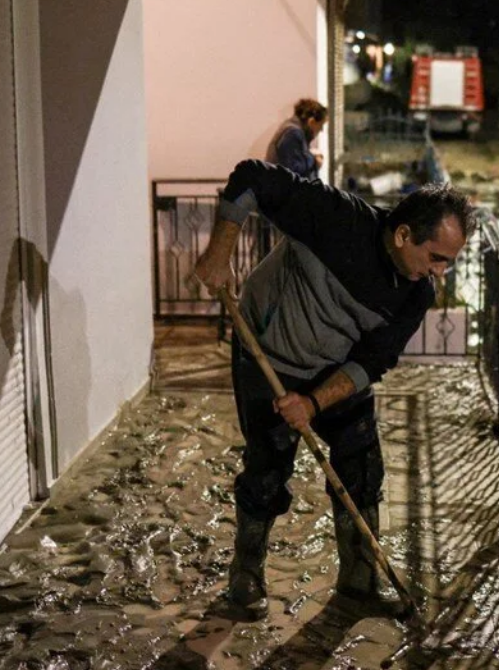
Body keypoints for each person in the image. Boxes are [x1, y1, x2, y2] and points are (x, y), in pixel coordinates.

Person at [192, 159, 472, 618]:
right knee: (267, 470)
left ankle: (358, 582)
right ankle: (245, 577)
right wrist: (218, 254)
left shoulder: (415, 293)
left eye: (449, 262)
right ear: (404, 235)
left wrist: (313, 402)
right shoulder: (335, 218)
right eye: (436, 257)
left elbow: (374, 360)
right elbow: (250, 177)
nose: (440, 272)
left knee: (362, 468)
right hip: (268, 358)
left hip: (333, 373)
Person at [266, 99, 328, 180]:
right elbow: (292, 169)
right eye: (321, 125)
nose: (321, 129)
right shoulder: (292, 133)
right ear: (312, 122)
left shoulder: (292, 129)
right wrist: (315, 160)